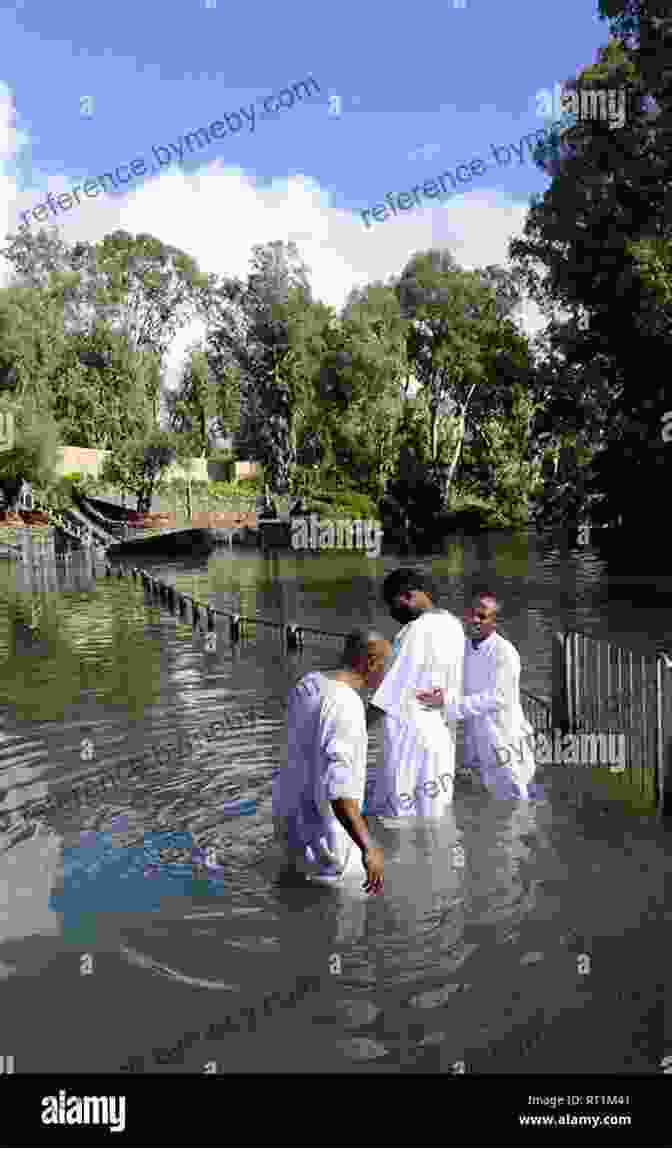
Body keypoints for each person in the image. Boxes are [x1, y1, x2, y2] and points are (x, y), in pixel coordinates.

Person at [272, 629, 391, 893]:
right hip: (329, 847)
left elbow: (316, 736)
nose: (388, 672)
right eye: (386, 664)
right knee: (345, 923)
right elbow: (338, 789)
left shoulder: (308, 684)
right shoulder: (346, 704)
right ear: (371, 662)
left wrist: (379, 710)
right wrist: (368, 847)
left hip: (291, 831)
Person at [417, 589, 536, 800]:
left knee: (517, 799)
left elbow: (497, 697)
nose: (474, 620)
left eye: (482, 616)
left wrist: (446, 702)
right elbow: (458, 686)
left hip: (505, 740)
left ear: (495, 622)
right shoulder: (464, 648)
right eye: (471, 614)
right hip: (476, 739)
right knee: (486, 800)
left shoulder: (505, 652)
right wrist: (436, 693)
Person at [366, 568, 464, 818]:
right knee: (435, 816)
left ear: (408, 595)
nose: (391, 611)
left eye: (392, 603)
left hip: (409, 740)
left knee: (400, 820)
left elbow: (389, 691)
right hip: (441, 738)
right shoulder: (454, 626)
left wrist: (356, 726)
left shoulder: (414, 631)